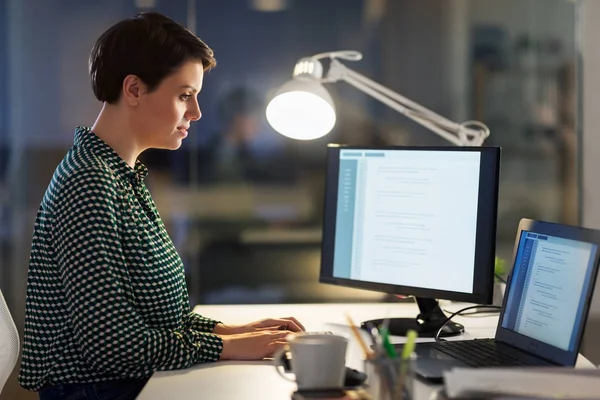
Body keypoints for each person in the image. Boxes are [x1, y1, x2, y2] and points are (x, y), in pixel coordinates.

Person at [18, 12, 305, 400]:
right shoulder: (88, 182)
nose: (196, 112)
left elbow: (159, 316)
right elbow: (111, 345)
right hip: (101, 390)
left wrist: (237, 332)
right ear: (134, 89)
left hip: (127, 381)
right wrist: (227, 347)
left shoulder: (120, 173)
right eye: (185, 95)